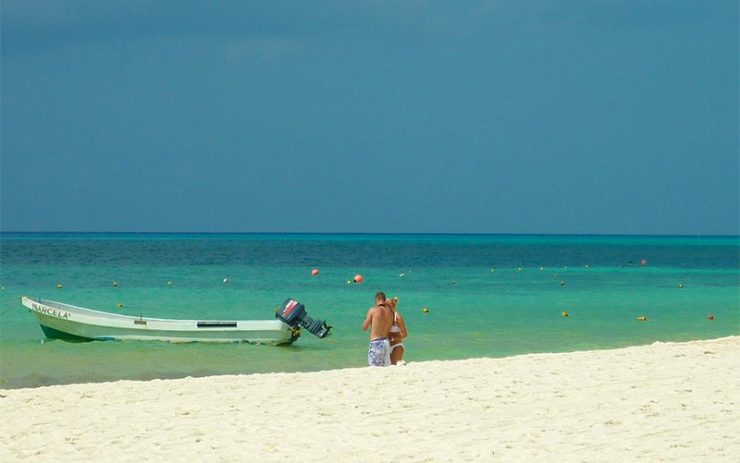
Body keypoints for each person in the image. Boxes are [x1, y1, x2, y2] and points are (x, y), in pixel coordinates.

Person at [361, 292, 393, 367]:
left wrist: (368, 319)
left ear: (377, 299)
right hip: (386, 342)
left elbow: (364, 328)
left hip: (376, 343)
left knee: (374, 368)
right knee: (385, 368)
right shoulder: (390, 312)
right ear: (384, 300)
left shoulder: (373, 310)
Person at [387, 296, 408, 365]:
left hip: (396, 346)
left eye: (385, 306)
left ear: (390, 306)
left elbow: (404, 334)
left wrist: (392, 338)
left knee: (394, 366)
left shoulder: (397, 317)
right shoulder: (386, 317)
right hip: (386, 346)